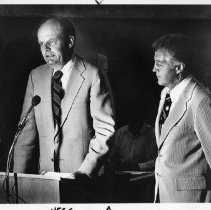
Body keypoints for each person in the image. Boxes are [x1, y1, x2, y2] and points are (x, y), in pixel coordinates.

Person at [13, 16, 115, 181]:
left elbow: (105, 131)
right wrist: (16, 182)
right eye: (41, 43)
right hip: (47, 181)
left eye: (52, 42)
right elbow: (25, 136)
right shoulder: (35, 76)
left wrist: (84, 173)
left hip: (84, 180)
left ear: (69, 41)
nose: (46, 49)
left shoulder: (93, 74)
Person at [152, 33, 211, 202]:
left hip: (192, 200)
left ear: (178, 68)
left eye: (159, 64)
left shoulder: (200, 100)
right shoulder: (165, 94)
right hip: (165, 196)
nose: (153, 69)